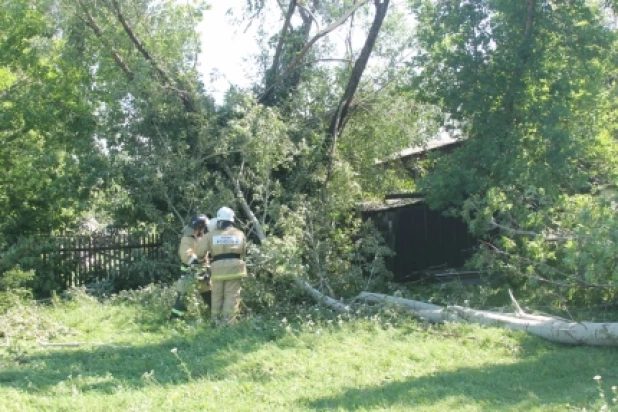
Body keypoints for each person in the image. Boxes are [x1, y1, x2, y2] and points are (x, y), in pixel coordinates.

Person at [196, 206, 247, 324]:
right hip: (235, 269)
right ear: (231, 220)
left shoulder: (211, 235)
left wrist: (202, 261)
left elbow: (200, 252)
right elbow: (244, 250)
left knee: (217, 295)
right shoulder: (239, 233)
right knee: (232, 296)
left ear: (219, 220)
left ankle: (215, 321)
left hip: (217, 269)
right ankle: (228, 322)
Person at [170, 214, 211, 319]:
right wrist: (198, 261)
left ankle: (217, 316)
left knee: (210, 295)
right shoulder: (187, 239)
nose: (204, 230)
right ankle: (175, 319)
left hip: (202, 273)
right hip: (189, 274)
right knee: (183, 298)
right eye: (203, 228)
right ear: (199, 227)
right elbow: (187, 255)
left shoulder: (200, 238)